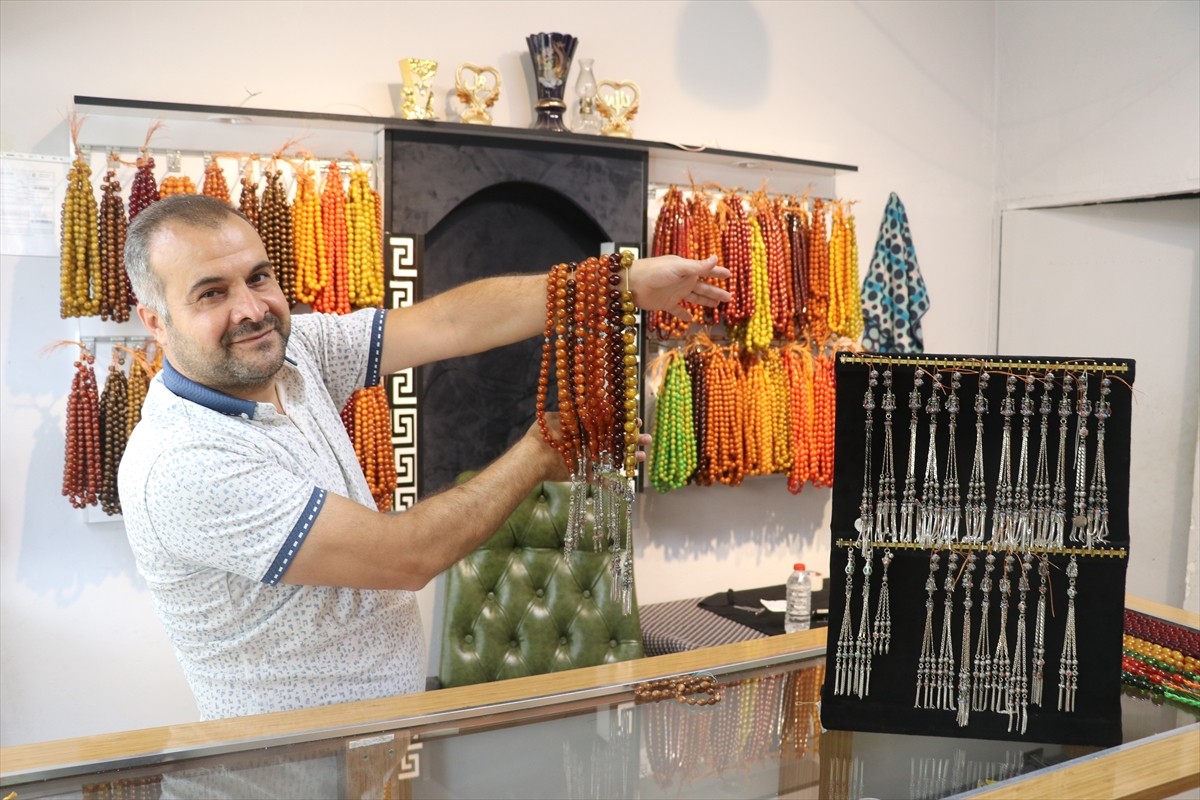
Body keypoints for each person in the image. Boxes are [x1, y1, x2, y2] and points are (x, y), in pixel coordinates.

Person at [118, 194, 730, 720]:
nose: (251, 309)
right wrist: (539, 454)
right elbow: (405, 556)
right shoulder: (184, 462)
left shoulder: (294, 354)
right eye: (211, 293)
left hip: (383, 736)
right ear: (155, 321)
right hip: (289, 763)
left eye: (258, 278)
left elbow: (447, 324)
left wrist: (617, 282)